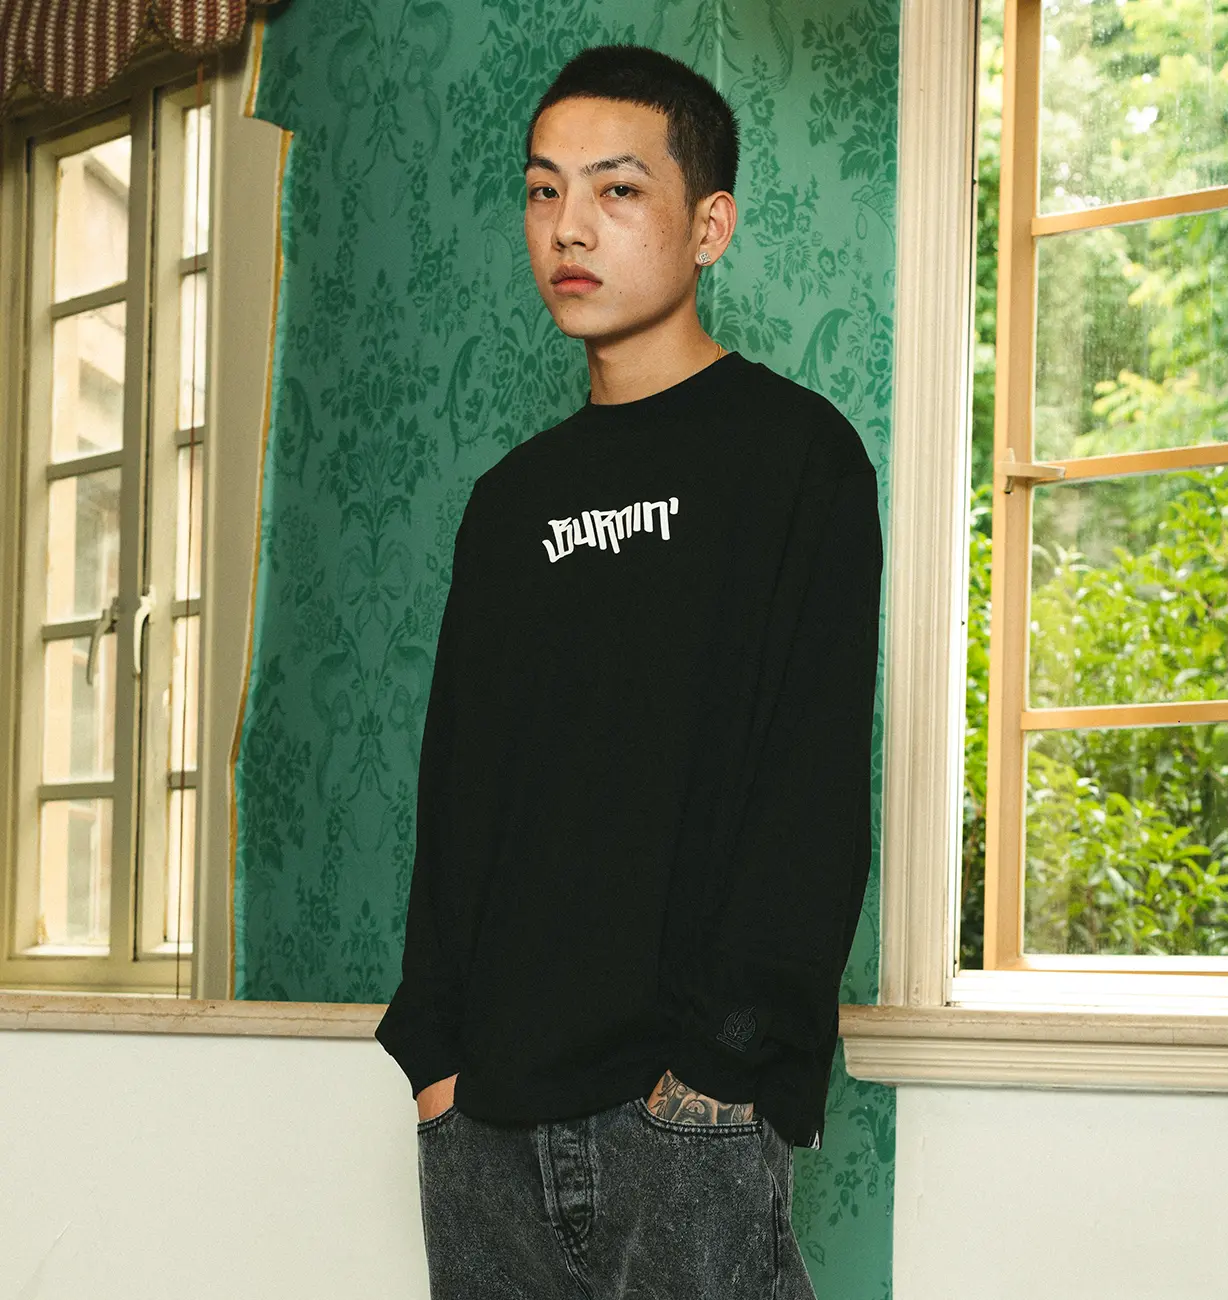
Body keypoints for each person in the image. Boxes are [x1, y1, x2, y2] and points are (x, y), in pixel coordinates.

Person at [374, 40, 883, 1300]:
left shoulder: (797, 458)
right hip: (483, 1115)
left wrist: (720, 1070)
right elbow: (459, 790)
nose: (569, 226)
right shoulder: (510, 501)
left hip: (688, 1111)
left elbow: (812, 785)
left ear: (708, 225)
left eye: (617, 189)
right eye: (543, 190)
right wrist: (436, 1063)